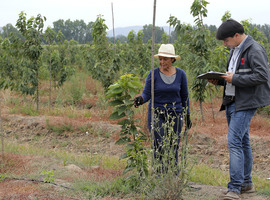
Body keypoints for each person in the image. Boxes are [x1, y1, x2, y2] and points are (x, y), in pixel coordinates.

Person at [208, 19, 270, 200]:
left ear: (236, 36)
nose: (225, 44)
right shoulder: (235, 50)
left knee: (234, 140)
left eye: (226, 40)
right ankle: (246, 183)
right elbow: (235, 76)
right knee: (242, 141)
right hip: (233, 100)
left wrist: (233, 79)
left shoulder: (254, 49)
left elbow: (261, 76)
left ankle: (234, 188)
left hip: (246, 103)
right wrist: (220, 80)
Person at [134, 44, 192, 174]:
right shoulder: (153, 74)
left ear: (172, 59)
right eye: (160, 59)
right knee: (159, 144)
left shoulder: (181, 75)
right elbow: (147, 93)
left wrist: (187, 115)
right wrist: (141, 99)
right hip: (157, 113)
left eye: (165, 59)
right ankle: (160, 174)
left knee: (173, 144)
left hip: (175, 114)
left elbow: (185, 97)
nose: (162, 62)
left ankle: (173, 174)